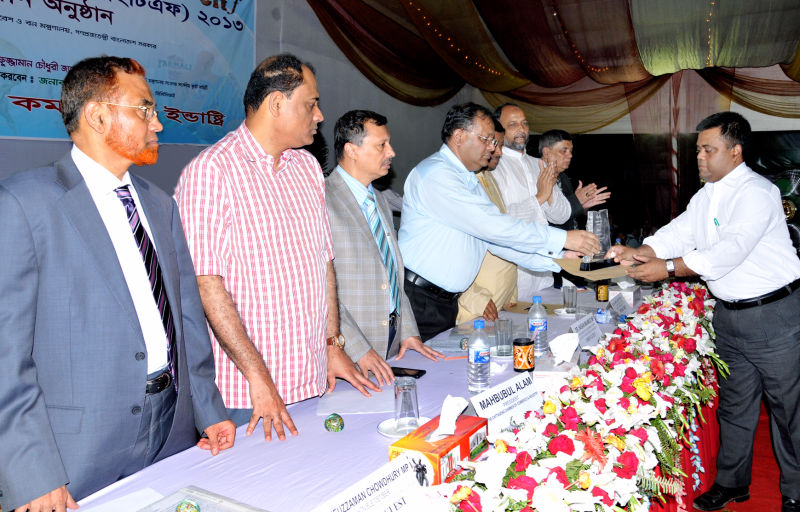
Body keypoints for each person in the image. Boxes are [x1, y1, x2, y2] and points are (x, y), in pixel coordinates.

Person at [0, 56, 234, 512]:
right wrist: (32, 472)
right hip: (76, 450)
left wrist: (207, 408)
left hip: (171, 428)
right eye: (145, 109)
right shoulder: (24, 204)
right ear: (97, 115)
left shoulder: (160, 204)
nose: (158, 124)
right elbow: (6, 355)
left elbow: (187, 316)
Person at [175, 54, 378, 444]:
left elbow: (323, 263)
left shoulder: (307, 168)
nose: (319, 116)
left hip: (312, 378)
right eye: (311, 104)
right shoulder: (212, 172)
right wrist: (259, 376)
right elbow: (207, 285)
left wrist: (333, 344)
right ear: (276, 104)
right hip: (249, 395)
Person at [607, 112, 800, 512]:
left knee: (789, 412)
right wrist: (641, 251)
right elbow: (679, 232)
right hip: (729, 316)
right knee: (735, 405)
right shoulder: (708, 194)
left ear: (735, 151)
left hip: (775, 315)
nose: (699, 157)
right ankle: (732, 483)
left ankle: (796, 491)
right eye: (698, 149)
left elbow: (728, 252)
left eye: (708, 150)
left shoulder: (756, 192)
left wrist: (668, 268)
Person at [398, 102, 601, 340]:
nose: (493, 148)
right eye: (487, 140)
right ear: (459, 136)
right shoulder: (437, 174)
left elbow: (496, 244)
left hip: (443, 302)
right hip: (421, 298)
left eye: (494, 142)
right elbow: (495, 227)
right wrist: (563, 238)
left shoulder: (469, 179)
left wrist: (558, 259)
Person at [326, 110, 444, 383]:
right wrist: (357, 348)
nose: (391, 152)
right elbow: (320, 290)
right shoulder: (322, 200)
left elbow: (392, 274)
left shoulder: (379, 201)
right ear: (351, 150)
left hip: (389, 343)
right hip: (349, 353)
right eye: (382, 145)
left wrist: (408, 331)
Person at [492, 104, 572, 298]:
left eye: (525, 123)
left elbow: (562, 216)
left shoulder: (539, 164)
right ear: (498, 130)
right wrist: (540, 197)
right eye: (513, 124)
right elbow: (498, 220)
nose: (521, 129)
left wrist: (549, 192)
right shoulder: (493, 167)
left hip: (544, 271)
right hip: (511, 272)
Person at [456, 119, 519, 325]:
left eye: (500, 145)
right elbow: (447, 254)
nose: (498, 151)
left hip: (498, 303)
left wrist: (511, 290)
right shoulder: (458, 183)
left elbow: (503, 235)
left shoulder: (488, 177)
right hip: (473, 309)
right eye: (493, 143)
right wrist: (474, 297)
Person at [538, 129, 610, 231]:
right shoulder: (535, 177)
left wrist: (581, 206)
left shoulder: (563, 178)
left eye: (570, 151)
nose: (570, 155)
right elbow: (547, 218)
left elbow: (567, 214)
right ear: (546, 152)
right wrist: (576, 200)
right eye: (564, 151)